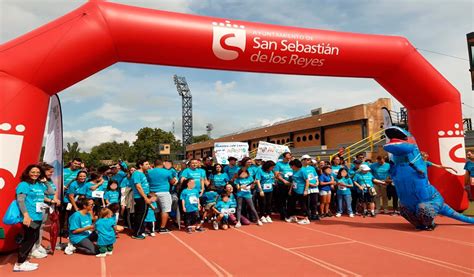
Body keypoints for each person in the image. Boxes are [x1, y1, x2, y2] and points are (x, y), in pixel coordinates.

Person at [14, 164, 54, 272]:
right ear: (27, 172)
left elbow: (51, 192)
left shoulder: (39, 185)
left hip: (38, 215)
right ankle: (19, 264)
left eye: (37, 172)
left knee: (33, 237)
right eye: (33, 172)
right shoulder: (24, 185)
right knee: (30, 238)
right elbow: (21, 200)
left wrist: (45, 181)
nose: (35, 174)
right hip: (29, 216)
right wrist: (26, 216)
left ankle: (24, 260)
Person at [34, 163, 60, 256]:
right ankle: (34, 247)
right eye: (50, 172)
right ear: (43, 171)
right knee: (37, 225)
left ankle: (38, 244)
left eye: (52, 172)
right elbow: (40, 194)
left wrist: (56, 199)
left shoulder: (49, 180)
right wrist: (50, 200)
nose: (51, 174)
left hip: (49, 205)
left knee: (42, 225)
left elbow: (54, 191)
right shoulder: (38, 181)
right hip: (41, 205)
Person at [147, 159, 177, 233]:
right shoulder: (167, 172)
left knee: (155, 210)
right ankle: (162, 228)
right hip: (164, 192)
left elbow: (147, 181)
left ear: (154, 164)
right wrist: (175, 179)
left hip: (152, 192)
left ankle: (154, 226)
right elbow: (172, 181)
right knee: (165, 210)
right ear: (162, 164)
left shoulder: (149, 172)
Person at [131, 159, 152, 240]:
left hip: (143, 196)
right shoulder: (137, 173)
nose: (148, 165)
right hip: (140, 197)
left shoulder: (143, 173)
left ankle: (140, 230)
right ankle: (136, 233)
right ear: (140, 165)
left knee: (142, 215)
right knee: (140, 215)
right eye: (146, 164)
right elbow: (138, 186)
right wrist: (145, 198)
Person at [287, 159, 310, 224]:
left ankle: (306, 218)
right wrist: (290, 190)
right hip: (294, 190)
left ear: (294, 165)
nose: (291, 167)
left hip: (301, 191)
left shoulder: (303, 171)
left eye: (291, 166)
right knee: (292, 203)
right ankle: (293, 216)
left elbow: (307, 181)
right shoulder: (294, 171)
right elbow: (293, 181)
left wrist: (305, 190)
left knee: (302, 204)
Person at [274, 152, 293, 220]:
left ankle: (289, 214)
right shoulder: (278, 164)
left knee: (290, 200)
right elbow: (277, 174)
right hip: (282, 185)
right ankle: (283, 215)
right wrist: (284, 181)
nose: (288, 159)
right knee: (282, 201)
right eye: (287, 158)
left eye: (289, 158)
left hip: (291, 185)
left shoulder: (291, 164)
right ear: (284, 157)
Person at [301, 155, 320, 220]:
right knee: (307, 202)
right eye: (307, 159)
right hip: (307, 188)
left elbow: (316, 176)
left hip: (314, 188)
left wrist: (317, 182)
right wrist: (310, 184)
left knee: (314, 201)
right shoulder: (301, 168)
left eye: (309, 159)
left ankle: (314, 214)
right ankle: (308, 215)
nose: (309, 161)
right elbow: (302, 179)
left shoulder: (312, 168)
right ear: (303, 160)